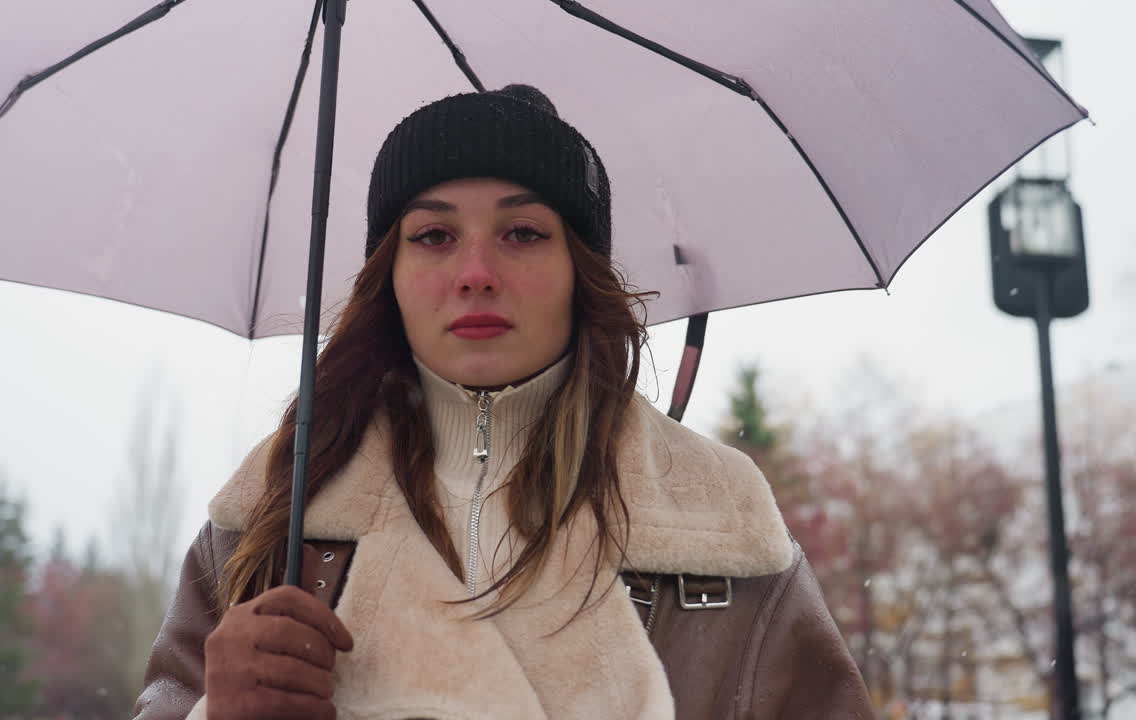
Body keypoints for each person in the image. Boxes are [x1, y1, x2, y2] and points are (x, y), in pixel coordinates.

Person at [133, 84, 872, 720]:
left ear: (579, 271)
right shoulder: (266, 523)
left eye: (522, 233)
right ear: (387, 275)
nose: (476, 272)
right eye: (433, 235)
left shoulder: (726, 536)